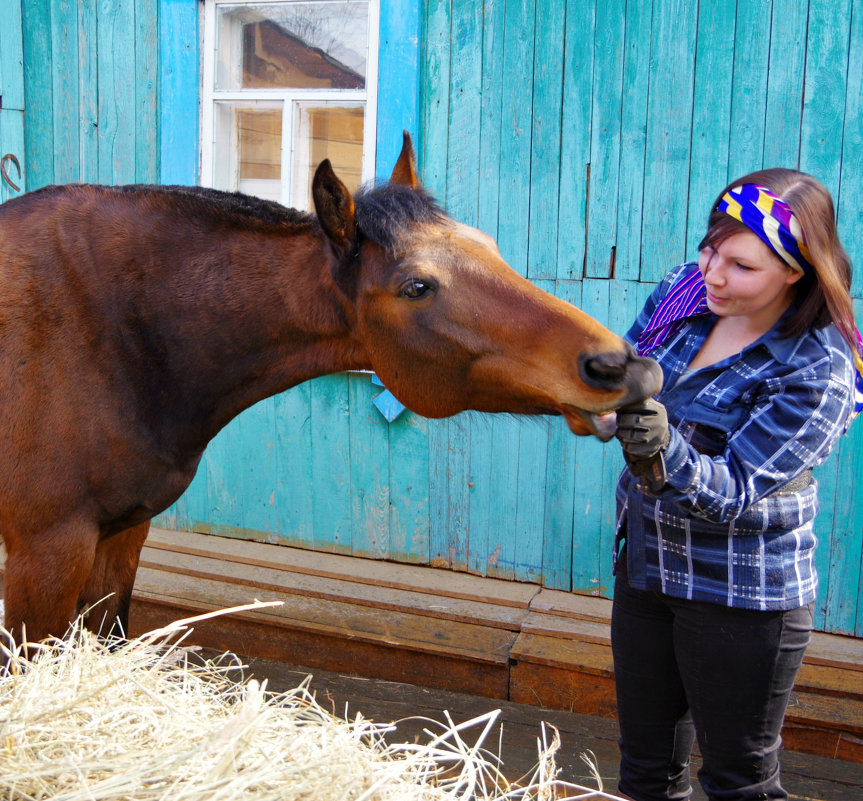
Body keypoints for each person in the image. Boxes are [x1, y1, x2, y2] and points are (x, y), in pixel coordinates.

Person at [610, 169, 863, 801]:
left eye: (743, 266)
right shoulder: (687, 292)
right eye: (710, 248)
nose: (714, 274)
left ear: (796, 272)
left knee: (738, 782)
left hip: (741, 595)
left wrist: (659, 443)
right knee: (645, 772)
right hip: (646, 567)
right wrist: (596, 401)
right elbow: (628, 365)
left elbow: (734, 491)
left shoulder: (816, 370)